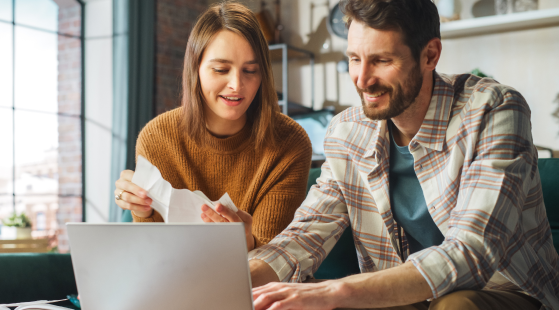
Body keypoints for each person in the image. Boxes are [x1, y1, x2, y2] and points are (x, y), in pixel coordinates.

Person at [248, 0, 559, 309]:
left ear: (430, 55)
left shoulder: (492, 110)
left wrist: (335, 292)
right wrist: (235, 279)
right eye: (355, 59)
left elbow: (472, 253)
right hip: (399, 299)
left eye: (381, 60)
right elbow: (304, 236)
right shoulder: (347, 132)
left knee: (455, 306)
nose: (362, 79)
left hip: (501, 291)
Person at [113, 2, 312, 252]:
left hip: (264, 285)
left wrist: (246, 242)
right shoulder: (157, 138)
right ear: (195, 69)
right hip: (180, 282)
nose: (237, 84)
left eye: (250, 70)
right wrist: (139, 206)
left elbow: (278, 261)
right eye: (221, 69)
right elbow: (153, 252)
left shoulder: (289, 142)